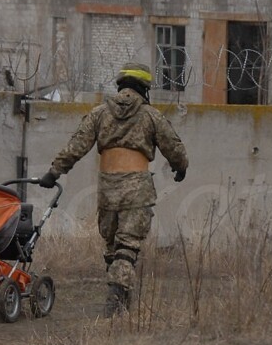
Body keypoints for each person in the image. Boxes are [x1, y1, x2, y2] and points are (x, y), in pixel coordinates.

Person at [39, 62, 188, 317]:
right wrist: (180, 167)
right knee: (127, 247)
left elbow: (76, 146)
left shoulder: (99, 113)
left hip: (107, 187)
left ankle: (122, 298)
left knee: (112, 247)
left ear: (120, 84)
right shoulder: (151, 115)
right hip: (137, 188)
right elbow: (174, 147)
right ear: (144, 87)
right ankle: (116, 302)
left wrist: (53, 172)